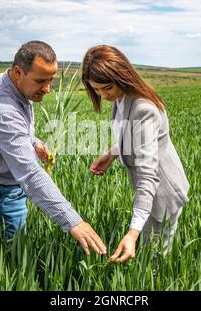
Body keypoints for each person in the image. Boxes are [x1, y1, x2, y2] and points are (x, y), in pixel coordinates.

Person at [0, 40, 106, 256]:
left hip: (1, 187)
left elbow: (17, 131)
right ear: (17, 72)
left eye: (51, 80)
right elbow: (30, 174)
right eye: (41, 81)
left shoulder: (5, 82)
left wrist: (33, 143)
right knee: (12, 262)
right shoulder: (2, 111)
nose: (47, 89)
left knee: (10, 256)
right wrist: (73, 221)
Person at [81, 45, 190, 263]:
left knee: (153, 262)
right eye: (96, 89)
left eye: (106, 88)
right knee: (149, 256)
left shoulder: (143, 108)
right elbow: (133, 137)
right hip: (151, 191)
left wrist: (132, 233)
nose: (102, 95)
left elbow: (148, 174)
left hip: (162, 194)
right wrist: (112, 153)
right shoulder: (121, 99)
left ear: (121, 76)